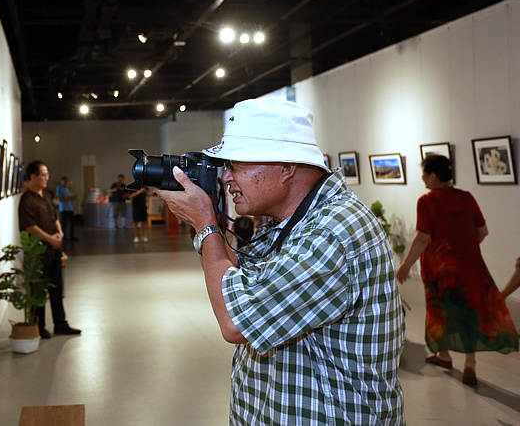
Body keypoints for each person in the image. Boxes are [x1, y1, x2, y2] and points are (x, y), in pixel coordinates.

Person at [157, 98, 405, 425]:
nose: (226, 178)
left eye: (235, 165)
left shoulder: (331, 234)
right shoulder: (295, 221)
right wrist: (208, 224)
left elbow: (236, 321)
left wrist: (205, 225)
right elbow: (242, 282)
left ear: (286, 168)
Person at [396, 154, 518, 386]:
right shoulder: (466, 197)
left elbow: (422, 238)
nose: (422, 179)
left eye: (424, 174)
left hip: (439, 270)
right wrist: (464, 250)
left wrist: (405, 266)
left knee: (440, 309)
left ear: (433, 176)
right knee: (470, 310)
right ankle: (467, 362)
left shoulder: (427, 201)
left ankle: (444, 354)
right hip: (471, 267)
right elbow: (482, 232)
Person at [18, 161, 81, 338]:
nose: (46, 178)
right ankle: (40, 326)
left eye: (47, 175)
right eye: (43, 175)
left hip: (53, 251)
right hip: (38, 253)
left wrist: (59, 233)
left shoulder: (45, 195)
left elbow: (54, 217)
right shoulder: (26, 200)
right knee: (39, 290)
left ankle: (60, 323)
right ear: (32, 177)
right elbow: (29, 226)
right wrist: (49, 239)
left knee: (57, 289)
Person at [55, 175, 78, 241]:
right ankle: (64, 236)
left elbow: (68, 197)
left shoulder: (67, 188)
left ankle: (71, 236)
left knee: (72, 222)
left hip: (69, 207)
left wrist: (72, 198)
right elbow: (59, 198)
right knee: (64, 223)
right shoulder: (59, 188)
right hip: (64, 208)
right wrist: (69, 198)